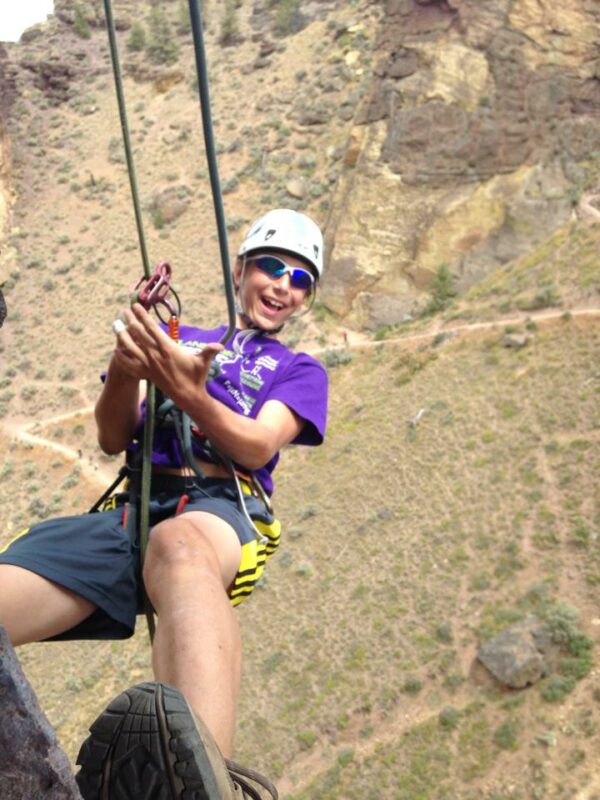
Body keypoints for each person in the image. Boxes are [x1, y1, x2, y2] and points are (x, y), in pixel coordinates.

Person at [0, 208, 329, 799]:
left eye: (300, 279)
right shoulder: (182, 339)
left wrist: (189, 393)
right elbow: (111, 435)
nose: (283, 285)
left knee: (178, 547)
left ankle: (201, 782)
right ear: (241, 270)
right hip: (135, 505)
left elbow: (256, 446)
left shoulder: (298, 370)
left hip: (219, 505)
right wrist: (128, 370)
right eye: (273, 267)